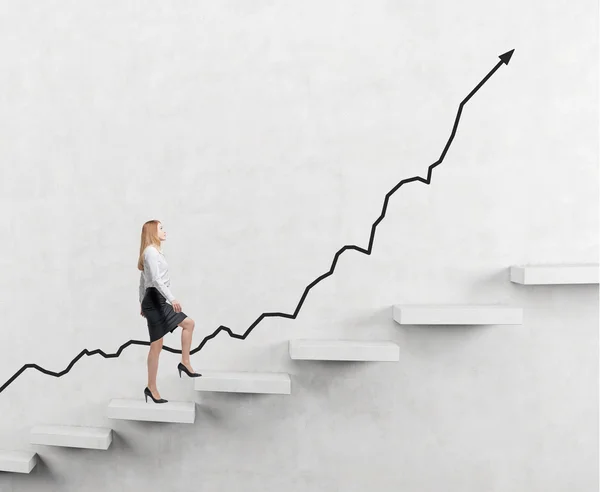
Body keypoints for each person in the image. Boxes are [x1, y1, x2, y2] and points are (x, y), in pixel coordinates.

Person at [137, 220, 201, 404]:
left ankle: (185, 363)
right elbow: (154, 280)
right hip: (155, 299)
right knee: (156, 346)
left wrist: (142, 302)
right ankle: (151, 387)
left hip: (156, 298)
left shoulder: (156, 252)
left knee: (188, 324)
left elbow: (143, 281)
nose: (164, 231)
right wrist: (171, 299)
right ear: (152, 231)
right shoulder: (150, 252)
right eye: (161, 228)